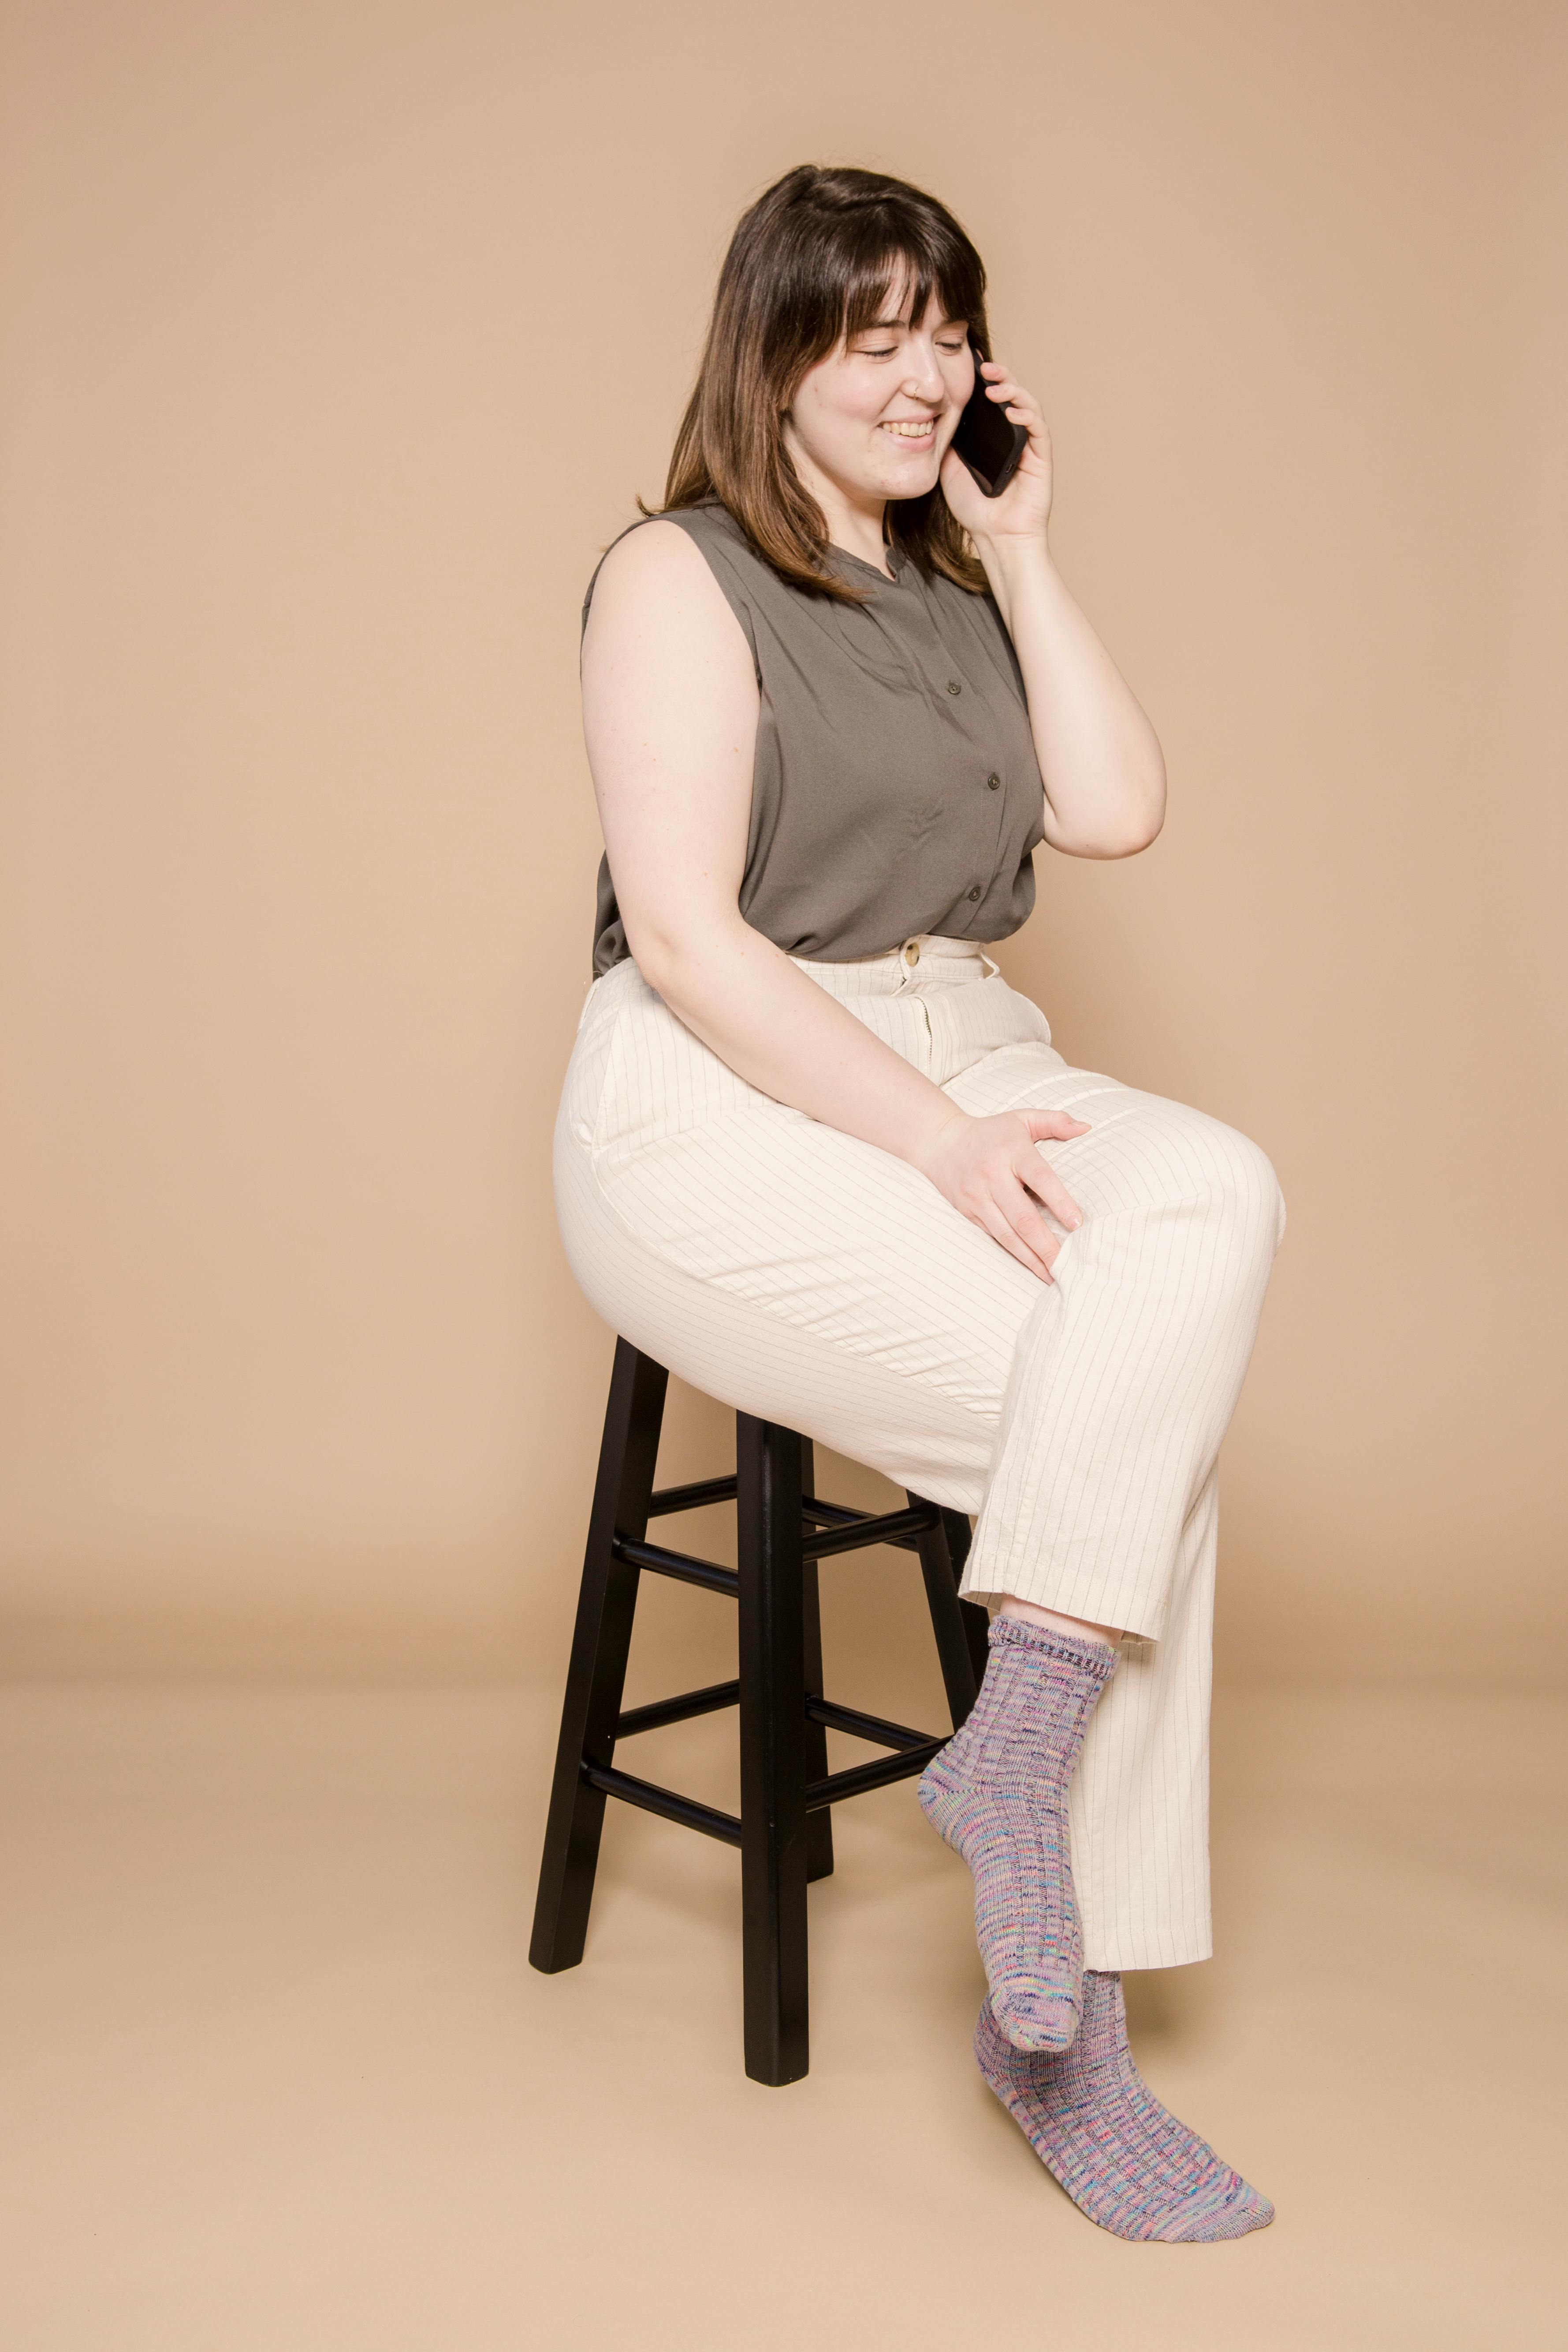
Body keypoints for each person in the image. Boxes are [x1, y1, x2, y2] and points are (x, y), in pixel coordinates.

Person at [554, 162, 1285, 2242]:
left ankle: (1010, 1757)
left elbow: (1117, 809)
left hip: (973, 1033)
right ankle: (1068, 2044)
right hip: (719, 1085)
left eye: (944, 327)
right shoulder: (673, 575)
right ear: (772, 350)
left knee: (1213, 1190)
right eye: (868, 329)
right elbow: (691, 943)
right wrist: (935, 1146)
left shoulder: (962, 586)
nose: (918, 367)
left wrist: (1024, 546)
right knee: (1138, 1425)